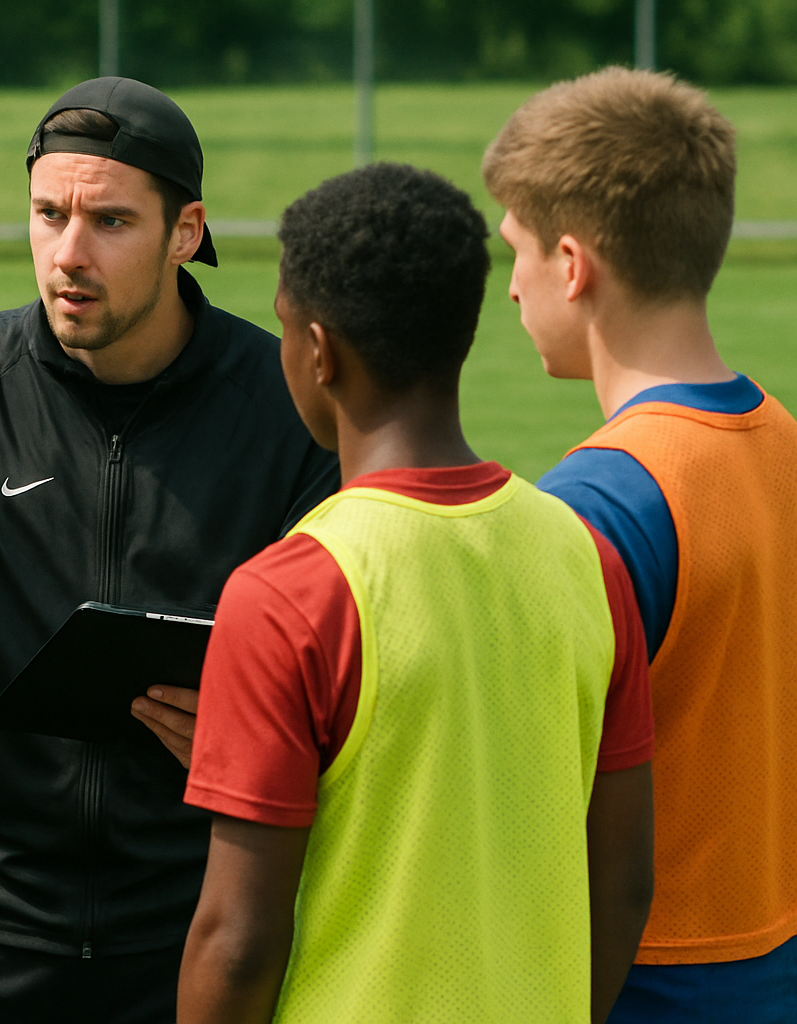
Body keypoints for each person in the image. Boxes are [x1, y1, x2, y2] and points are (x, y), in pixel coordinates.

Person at [0, 77, 339, 1023]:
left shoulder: (281, 405)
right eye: (49, 214)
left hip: (197, 926)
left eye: (111, 222)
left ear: (185, 231)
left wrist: (255, 723)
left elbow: (343, 663)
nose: (69, 254)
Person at [175, 163, 657, 1023]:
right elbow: (623, 880)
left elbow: (238, 941)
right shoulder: (587, 556)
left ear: (318, 350)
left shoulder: (290, 592)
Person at [484, 67, 797, 1022]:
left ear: (572, 264)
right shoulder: (782, 438)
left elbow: (514, 792)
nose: (511, 287)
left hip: (644, 978)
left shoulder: (599, 505)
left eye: (517, 252)